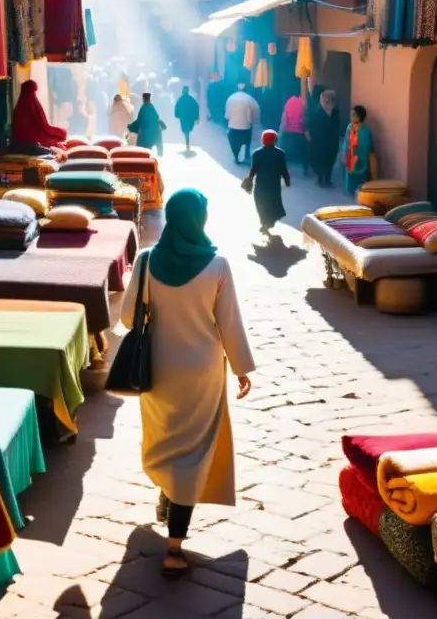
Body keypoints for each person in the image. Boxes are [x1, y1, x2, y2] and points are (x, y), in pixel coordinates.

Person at [121, 189, 255, 579]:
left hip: (158, 370)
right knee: (193, 450)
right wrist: (241, 368)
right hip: (202, 373)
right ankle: (175, 548)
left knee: (164, 440)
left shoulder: (146, 262)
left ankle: (168, 496)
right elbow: (229, 323)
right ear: (199, 218)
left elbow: (129, 318)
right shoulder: (218, 265)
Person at [245, 130, 291, 236]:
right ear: (275, 140)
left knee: (261, 204)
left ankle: (264, 222)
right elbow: (283, 169)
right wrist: (287, 180)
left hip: (260, 184)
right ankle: (269, 222)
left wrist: (249, 179)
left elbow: (253, 169)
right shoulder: (280, 153)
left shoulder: (257, 153)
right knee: (273, 204)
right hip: (274, 184)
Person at [9, 80, 67, 151]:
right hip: (30, 144)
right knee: (54, 148)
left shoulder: (19, 106)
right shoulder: (31, 105)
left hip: (16, 143)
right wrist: (60, 135)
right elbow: (41, 128)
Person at [305, 86, 340, 187]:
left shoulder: (334, 113)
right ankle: (321, 177)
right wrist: (308, 133)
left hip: (330, 142)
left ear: (326, 101)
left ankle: (327, 178)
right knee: (320, 160)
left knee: (330, 160)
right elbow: (309, 124)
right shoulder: (317, 113)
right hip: (319, 142)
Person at [342, 105, 378, 195]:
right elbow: (346, 143)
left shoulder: (365, 132)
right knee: (350, 188)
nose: (351, 117)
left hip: (361, 164)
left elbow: (367, 148)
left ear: (359, 117)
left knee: (360, 189)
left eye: (353, 115)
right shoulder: (349, 127)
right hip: (350, 161)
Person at [225, 82, 260, 165]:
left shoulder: (231, 98)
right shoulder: (250, 99)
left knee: (234, 143)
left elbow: (227, 115)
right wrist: (254, 122)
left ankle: (236, 157)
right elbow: (256, 110)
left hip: (233, 126)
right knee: (246, 142)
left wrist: (228, 120)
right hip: (246, 126)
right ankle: (246, 156)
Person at [279, 93, 307, 175]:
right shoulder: (303, 104)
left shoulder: (289, 103)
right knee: (303, 153)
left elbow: (284, 119)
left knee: (285, 152)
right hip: (300, 132)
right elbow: (304, 119)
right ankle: (305, 170)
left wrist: (281, 132)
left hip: (288, 132)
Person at [174, 86, 201, 151]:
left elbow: (176, 108)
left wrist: (177, 115)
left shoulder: (180, 99)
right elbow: (196, 107)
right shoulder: (191, 99)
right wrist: (196, 117)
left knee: (186, 130)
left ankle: (187, 142)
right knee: (188, 130)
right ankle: (187, 142)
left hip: (183, 118)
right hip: (189, 118)